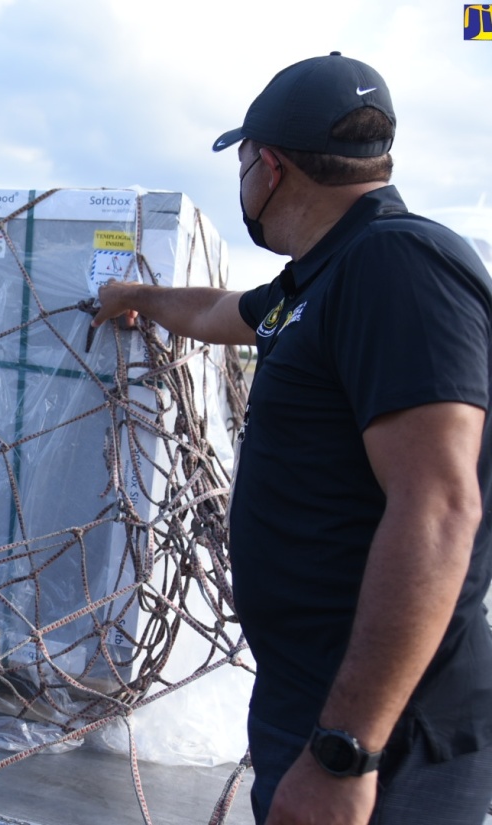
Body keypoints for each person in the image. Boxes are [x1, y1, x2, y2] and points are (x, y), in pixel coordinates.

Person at [93, 53, 492, 824]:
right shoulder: (321, 275)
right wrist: (136, 295)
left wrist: (346, 751)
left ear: (269, 168)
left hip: (387, 735)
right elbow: (219, 312)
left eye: (242, 162)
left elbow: (440, 509)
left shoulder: (398, 265)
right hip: (313, 701)